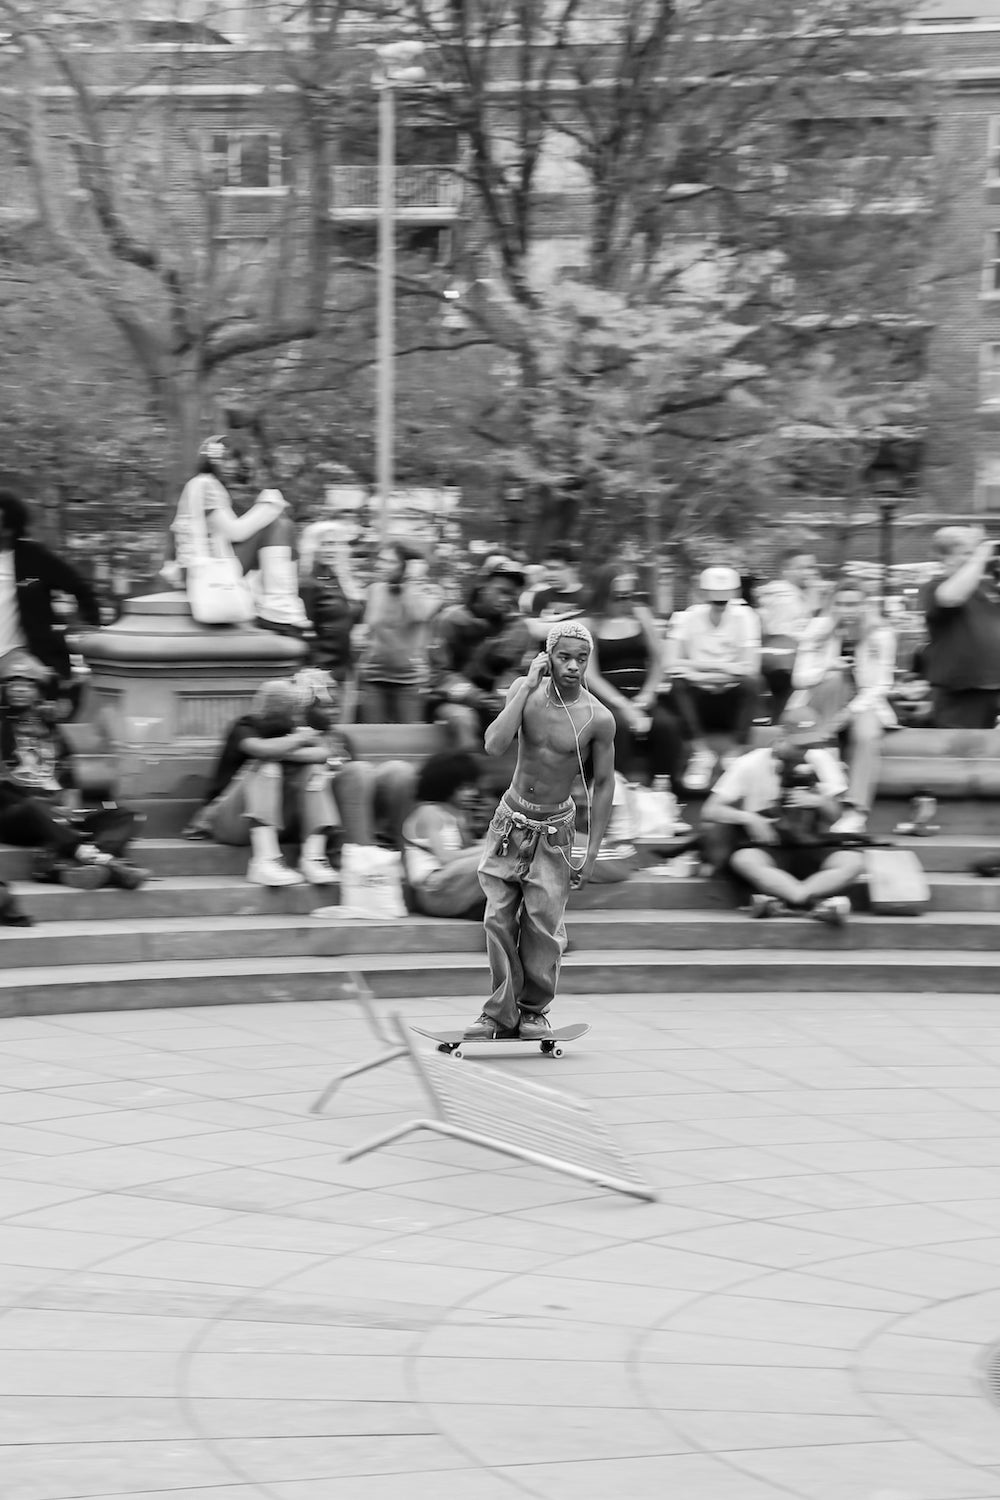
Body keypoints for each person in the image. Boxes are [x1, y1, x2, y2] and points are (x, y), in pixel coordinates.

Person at [465, 620, 616, 1041]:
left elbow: (604, 785)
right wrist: (527, 687)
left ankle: (533, 1011)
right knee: (497, 918)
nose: (572, 666)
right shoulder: (524, 692)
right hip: (510, 821)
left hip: (555, 831)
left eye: (581, 659)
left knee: (543, 928)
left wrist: (593, 848)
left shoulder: (598, 718)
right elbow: (494, 744)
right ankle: (498, 1013)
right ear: (548, 656)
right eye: (564, 657)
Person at [190, 678, 415, 884]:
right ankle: (265, 860)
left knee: (313, 770)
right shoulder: (247, 725)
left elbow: (321, 754)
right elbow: (260, 749)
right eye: (289, 708)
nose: (294, 715)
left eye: (295, 708)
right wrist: (296, 741)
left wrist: (291, 745)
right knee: (267, 765)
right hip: (230, 819)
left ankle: (313, 858)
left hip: (283, 821)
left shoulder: (299, 732)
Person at [700, 704, 865, 925]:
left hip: (812, 842)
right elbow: (711, 810)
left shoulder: (822, 759)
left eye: (809, 744)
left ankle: (792, 900)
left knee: (853, 861)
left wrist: (819, 801)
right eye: (799, 745)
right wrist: (749, 818)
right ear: (782, 738)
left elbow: (835, 817)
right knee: (744, 859)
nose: (804, 751)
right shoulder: (750, 763)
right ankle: (815, 903)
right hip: (770, 843)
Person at [0, 650, 146, 891]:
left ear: (39, 691)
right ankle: (103, 861)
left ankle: (72, 865)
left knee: (124, 815)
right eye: (13, 683)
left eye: (27, 684)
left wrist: (69, 802)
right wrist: (49, 806)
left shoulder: (52, 731)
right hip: (17, 814)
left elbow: (69, 777)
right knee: (34, 807)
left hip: (58, 812)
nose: (20, 689)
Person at [170, 428, 308, 634]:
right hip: (205, 568)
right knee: (279, 523)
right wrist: (268, 505)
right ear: (209, 460)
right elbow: (236, 532)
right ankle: (280, 605)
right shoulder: (206, 485)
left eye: (233, 460)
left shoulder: (206, 486)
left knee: (280, 523)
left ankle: (280, 604)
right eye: (224, 459)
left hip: (207, 565)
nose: (231, 465)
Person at [791, 578, 896, 837]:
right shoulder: (818, 629)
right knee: (834, 683)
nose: (846, 610)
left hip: (864, 701)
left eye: (853, 604)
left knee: (867, 736)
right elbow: (800, 679)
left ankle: (855, 811)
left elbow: (881, 685)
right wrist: (829, 666)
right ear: (831, 604)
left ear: (864, 605)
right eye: (840, 603)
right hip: (822, 697)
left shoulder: (880, 633)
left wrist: (850, 712)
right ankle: (824, 802)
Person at [585, 562, 687, 794]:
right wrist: (624, 706)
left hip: (642, 693)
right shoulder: (592, 624)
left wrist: (647, 695)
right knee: (617, 726)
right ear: (604, 594)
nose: (625, 602)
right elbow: (591, 675)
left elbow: (659, 660)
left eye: (629, 595)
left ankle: (663, 790)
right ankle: (612, 791)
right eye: (618, 597)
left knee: (666, 725)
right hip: (608, 698)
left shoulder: (641, 615)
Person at [0, 489, 102, 694]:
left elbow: (80, 587)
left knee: (31, 708)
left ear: (9, 528)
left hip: (17, 658)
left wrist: (91, 626)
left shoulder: (34, 557)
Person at [669, 565, 762, 790]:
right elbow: (671, 663)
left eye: (724, 598)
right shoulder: (685, 617)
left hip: (730, 690)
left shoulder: (746, 617)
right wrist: (728, 667)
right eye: (715, 598)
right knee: (677, 684)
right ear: (703, 594)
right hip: (698, 689)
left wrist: (699, 669)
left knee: (754, 684)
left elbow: (751, 668)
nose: (720, 604)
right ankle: (700, 753)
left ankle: (734, 753)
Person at [427, 557, 534, 751]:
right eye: (502, 591)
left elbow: (513, 671)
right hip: (452, 701)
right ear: (482, 586)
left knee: (532, 716)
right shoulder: (450, 620)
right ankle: (466, 776)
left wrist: (502, 697)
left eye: (513, 594)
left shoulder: (516, 628)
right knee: (464, 719)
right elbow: (440, 674)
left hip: (496, 702)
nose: (507, 599)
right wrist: (476, 698)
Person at [920, 526, 1000, 729]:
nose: (976, 558)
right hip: (962, 691)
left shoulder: (988, 588)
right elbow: (951, 597)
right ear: (946, 557)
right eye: (967, 553)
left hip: (995, 685)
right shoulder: (936, 586)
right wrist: (979, 558)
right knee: (962, 755)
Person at [358, 543, 442, 724]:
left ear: (406, 566)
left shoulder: (430, 592)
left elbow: (419, 613)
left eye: (389, 562)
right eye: (380, 560)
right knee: (375, 739)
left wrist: (411, 580)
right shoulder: (374, 590)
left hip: (409, 682)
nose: (380, 565)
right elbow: (369, 626)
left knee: (407, 740)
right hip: (374, 677)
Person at [401, 751, 486, 918]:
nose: (472, 793)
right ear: (445, 786)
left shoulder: (457, 815)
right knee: (500, 855)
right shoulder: (429, 812)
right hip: (434, 892)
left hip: (456, 885)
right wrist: (488, 848)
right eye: (464, 788)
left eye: (472, 787)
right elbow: (445, 858)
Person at [299, 523, 365, 713]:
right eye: (325, 543)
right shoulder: (307, 583)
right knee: (322, 725)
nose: (331, 549)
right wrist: (313, 670)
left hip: (347, 669)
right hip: (321, 672)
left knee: (343, 728)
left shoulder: (342, 580)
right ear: (313, 547)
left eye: (335, 543)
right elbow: (304, 628)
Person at [757, 547, 821, 719]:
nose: (811, 572)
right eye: (804, 568)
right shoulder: (785, 597)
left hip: (784, 657)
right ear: (786, 570)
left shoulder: (797, 595)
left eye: (812, 567)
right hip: (784, 659)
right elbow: (781, 632)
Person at [521, 544, 589, 640]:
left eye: (555, 569)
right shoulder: (540, 596)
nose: (549, 574)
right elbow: (533, 631)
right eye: (546, 569)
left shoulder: (589, 598)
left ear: (574, 567)